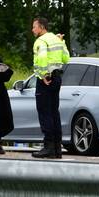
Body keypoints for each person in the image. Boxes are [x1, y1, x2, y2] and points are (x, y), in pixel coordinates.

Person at [30, 17, 70, 159]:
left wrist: (44, 76)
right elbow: (66, 58)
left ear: (41, 27)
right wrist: (62, 41)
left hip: (46, 80)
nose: (32, 30)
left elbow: (42, 58)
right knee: (54, 113)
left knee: (44, 113)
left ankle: (48, 148)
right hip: (57, 77)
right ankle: (57, 149)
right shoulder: (56, 40)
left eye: (34, 27)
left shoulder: (41, 41)